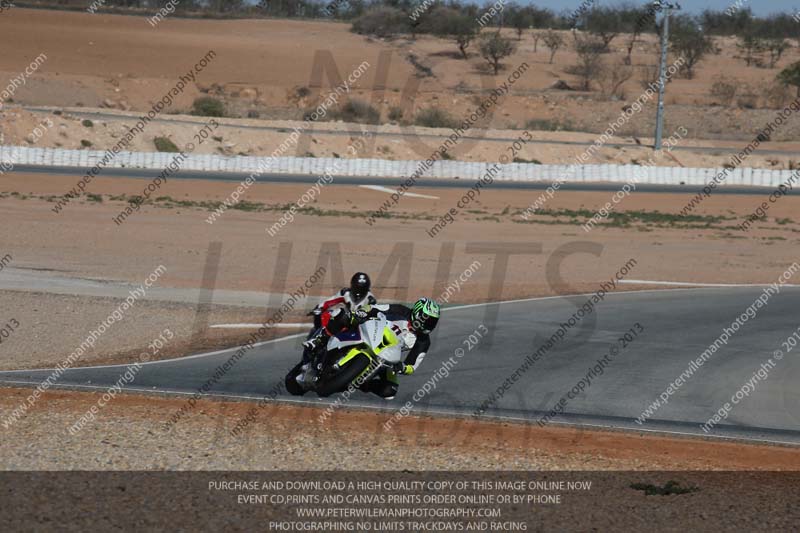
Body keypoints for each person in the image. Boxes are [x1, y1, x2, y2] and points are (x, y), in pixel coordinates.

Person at [359, 297, 441, 399]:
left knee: (390, 390)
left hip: (386, 356)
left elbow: (411, 366)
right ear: (417, 313)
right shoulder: (400, 310)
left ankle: (362, 385)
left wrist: (401, 367)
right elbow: (374, 308)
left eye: (433, 322)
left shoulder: (423, 341)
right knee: (341, 318)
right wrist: (363, 312)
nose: (429, 324)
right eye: (427, 320)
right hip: (368, 334)